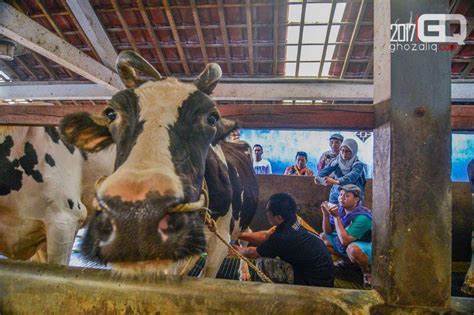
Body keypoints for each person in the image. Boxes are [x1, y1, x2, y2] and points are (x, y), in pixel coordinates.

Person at [231, 193, 334, 287]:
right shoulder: (293, 220)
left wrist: (232, 248)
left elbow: (253, 253)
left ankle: (289, 291)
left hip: (314, 285)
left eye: (268, 211)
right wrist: (236, 234)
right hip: (325, 277)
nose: (267, 214)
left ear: (279, 217)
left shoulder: (282, 237)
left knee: (262, 262)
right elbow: (265, 235)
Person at [320, 184, 372, 288]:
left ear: (356, 199)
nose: (341, 198)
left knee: (352, 249)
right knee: (322, 238)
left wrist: (336, 217)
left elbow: (344, 241)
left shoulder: (362, 217)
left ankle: (367, 272)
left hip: (365, 244)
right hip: (347, 239)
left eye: (347, 196)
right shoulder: (341, 210)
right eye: (340, 194)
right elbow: (328, 232)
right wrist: (325, 214)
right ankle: (348, 262)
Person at [316, 138, 366, 204]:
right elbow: (324, 172)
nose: (344, 153)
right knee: (333, 211)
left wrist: (337, 181)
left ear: (353, 151)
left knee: (351, 213)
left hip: (352, 196)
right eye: (342, 150)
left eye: (348, 151)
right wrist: (320, 179)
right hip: (336, 195)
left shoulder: (358, 165)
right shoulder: (336, 162)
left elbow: (352, 176)